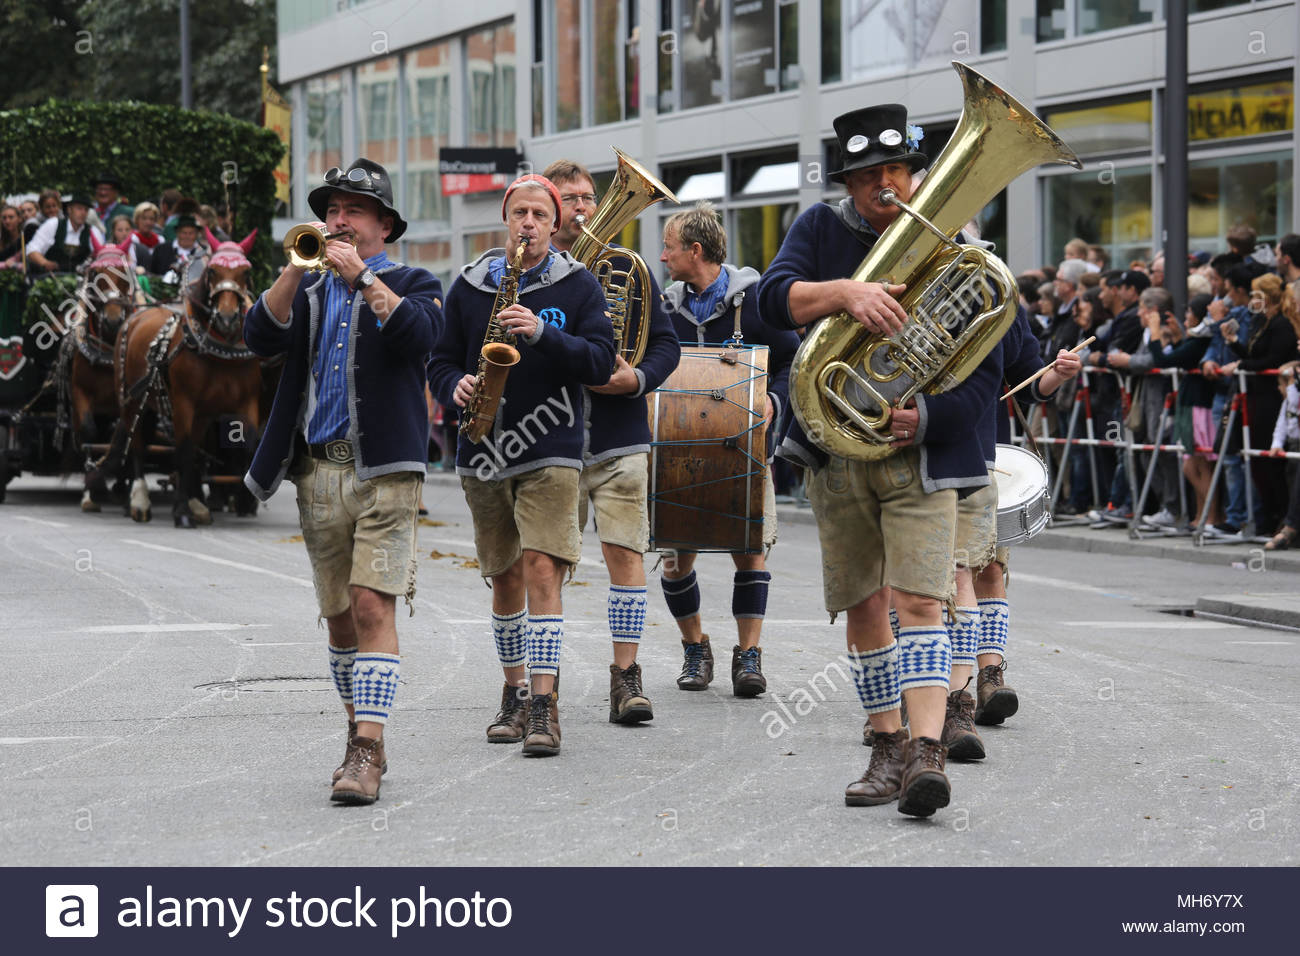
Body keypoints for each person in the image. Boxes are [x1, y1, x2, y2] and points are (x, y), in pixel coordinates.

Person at [758, 103, 1006, 818]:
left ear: (915, 172)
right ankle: (888, 743)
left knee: (921, 600)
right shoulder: (819, 229)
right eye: (868, 175)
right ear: (851, 182)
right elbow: (766, 306)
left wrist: (922, 415)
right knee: (863, 604)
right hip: (838, 451)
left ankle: (928, 753)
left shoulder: (950, 242)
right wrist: (846, 293)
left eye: (895, 170)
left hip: (916, 453)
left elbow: (984, 369)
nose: (884, 185)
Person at [243, 158, 444, 805]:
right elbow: (257, 334)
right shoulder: (306, 289)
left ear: (382, 224)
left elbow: (422, 337)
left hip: (384, 469)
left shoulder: (415, 281)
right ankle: (362, 732)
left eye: (353, 209)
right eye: (331, 209)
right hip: (316, 471)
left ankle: (366, 747)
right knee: (337, 621)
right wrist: (295, 265)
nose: (337, 219)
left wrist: (363, 282)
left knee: (369, 605)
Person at [428, 174, 614, 757]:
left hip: (551, 446)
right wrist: (450, 384)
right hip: (482, 449)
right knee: (505, 574)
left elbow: (602, 361)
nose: (528, 223)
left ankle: (543, 702)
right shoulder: (469, 285)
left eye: (539, 214)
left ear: (554, 225)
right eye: (519, 213)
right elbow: (437, 357)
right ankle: (512, 692)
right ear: (505, 219)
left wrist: (540, 334)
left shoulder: (578, 286)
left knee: (540, 568)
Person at [541, 158, 681, 723]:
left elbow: (665, 345)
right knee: (546, 565)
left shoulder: (631, 268)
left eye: (588, 198)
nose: (581, 208)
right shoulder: (528, 272)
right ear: (548, 208)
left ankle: (626, 675)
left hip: (619, 430)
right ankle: (538, 688)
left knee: (626, 555)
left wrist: (638, 377)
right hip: (550, 436)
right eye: (569, 198)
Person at [658, 201, 798, 698]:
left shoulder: (757, 300)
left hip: (745, 449)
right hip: (678, 453)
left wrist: (773, 402)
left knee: (750, 554)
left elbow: (789, 361)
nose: (661, 256)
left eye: (669, 248)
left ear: (695, 251)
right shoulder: (664, 306)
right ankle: (696, 647)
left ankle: (748, 656)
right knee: (676, 559)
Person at [1220, 273, 1299, 535]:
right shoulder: (1260, 323)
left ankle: (1278, 516)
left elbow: (1272, 361)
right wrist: (1234, 343)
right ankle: (1268, 516)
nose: (1252, 300)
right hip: (1256, 397)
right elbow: (1255, 355)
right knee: (1255, 460)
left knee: (1269, 462)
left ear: (1267, 298)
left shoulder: (1281, 325)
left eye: (1256, 295)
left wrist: (1241, 365)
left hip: (1270, 399)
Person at [1264, 359, 1299, 550]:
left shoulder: (1294, 397)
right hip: (1292, 447)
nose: (1280, 388)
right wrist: (1276, 444)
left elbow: (1293, 400)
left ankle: (1291, 528)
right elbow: (1280, 426)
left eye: (1282, 384)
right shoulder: (1287, 402)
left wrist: (1293, 384)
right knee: (1291, 485)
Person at [26, 193, 102, 273]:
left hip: (81, 281)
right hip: (51, 279)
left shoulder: (93, 231)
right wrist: (45, 263)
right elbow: (31, 250)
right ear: (69, 209)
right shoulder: (53, 224)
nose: (83, 213)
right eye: (79, 208)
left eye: (86, 210)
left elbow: (101, 257)